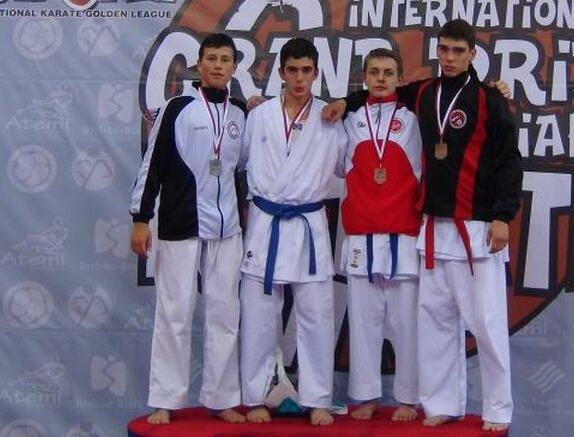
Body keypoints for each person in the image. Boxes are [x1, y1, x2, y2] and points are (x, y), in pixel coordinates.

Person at [327, 18, 522, 432]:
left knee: (486, 324)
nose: (449, 57)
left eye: (458, 51)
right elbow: (378, 92)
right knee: (435, 321)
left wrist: (503, 216)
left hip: (476, 225)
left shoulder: (490, 99)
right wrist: (345, 101)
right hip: (433, 227)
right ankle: (442, 402)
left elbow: (509, 160)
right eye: (444, 49)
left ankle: (498, 408)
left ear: (472, 54)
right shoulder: (424, 92)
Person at [128, 32, 247, 425]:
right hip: (181, 223)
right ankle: (166, 399)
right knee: (175, 313)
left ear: (234, 66)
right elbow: (152, 164)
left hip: (227, 229)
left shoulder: (239, 113)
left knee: (225, 314)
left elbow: (243, 170)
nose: (218, 66)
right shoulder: (177, 107)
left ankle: (221, 397)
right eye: (211, 58)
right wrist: (140, 218)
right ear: (199, 63)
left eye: (225, 60)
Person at [238, 37, 346, 426]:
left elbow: (349, 166)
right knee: (258, 315)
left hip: (308, 225)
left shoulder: (331, 117)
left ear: (316, 73)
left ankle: (317, 398)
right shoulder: (260, 115)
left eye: (306, 71)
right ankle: (254, 397)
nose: (300, 78)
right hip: (265, 224)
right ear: (281, 73)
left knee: (317, 315)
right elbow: (239, 160)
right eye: (293, 70)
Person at [337, 48, 423, 421]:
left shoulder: (416, 118)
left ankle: (408, 397)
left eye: (388, 72)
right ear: (364, 78)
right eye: (374, 72)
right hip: (361, 231)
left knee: (406, 323)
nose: (381, 79)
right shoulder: (348, 119)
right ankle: (366, 395)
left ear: (400, 78)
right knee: (363, 322)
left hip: (403, 231)